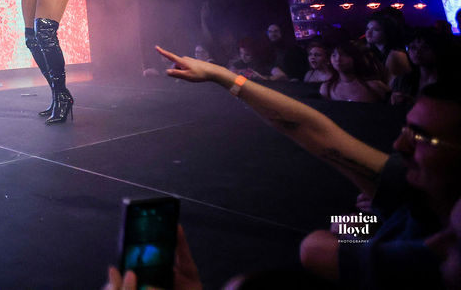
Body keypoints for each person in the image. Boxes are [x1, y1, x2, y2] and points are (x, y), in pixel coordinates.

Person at [155, 45, 461, 289]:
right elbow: (312, 129)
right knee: (341, 224)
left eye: (422, 138)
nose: (399, 145)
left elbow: (316, 249)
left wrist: (364, 232)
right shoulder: (416, 187)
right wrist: (222, 76)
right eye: (406, 130)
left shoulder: (440, 258)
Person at [320, 41, 390, 103]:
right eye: (334, 55)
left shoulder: (374, 86)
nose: (338, 59)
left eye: (344, 54)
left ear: (355, 58)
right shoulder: (327, 88)